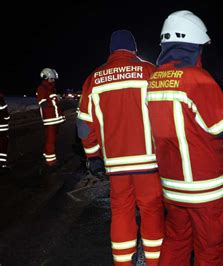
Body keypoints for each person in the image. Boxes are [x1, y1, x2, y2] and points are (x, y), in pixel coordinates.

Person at [146, 10, 223, 265]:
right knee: (211, 248)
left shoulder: (155, 81)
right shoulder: (198, 78)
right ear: (195, 45)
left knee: (176, 241)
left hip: (172, 186)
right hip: (204, 189)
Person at [77, 29, 164, 265]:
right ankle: (154, 261)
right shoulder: (149, 71)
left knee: (121, 212)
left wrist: (92, 155)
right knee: (151, 210)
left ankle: (123, 262)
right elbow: (165, 112)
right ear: (134, 48)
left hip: (116, 164)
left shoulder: (94, 78)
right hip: (149, 161)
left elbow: (84, 125)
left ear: (111, 51)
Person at [36, 68, 65, 168]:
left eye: (53, 79)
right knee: (50, 140)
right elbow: (43, 104)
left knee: (51, 139)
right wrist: (55, 100)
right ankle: (51, 161)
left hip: (55, 119)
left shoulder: (51, 88)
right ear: (45, 78)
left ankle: (47, 155)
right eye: (51, 79)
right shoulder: (42, 88)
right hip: (50, 120)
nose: (53, 81)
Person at [0, 91, 10, 174]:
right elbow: (6, 115)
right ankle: (2, 165)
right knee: (3, 146)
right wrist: (7, 119)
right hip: (2, 128)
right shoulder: (1, 101)